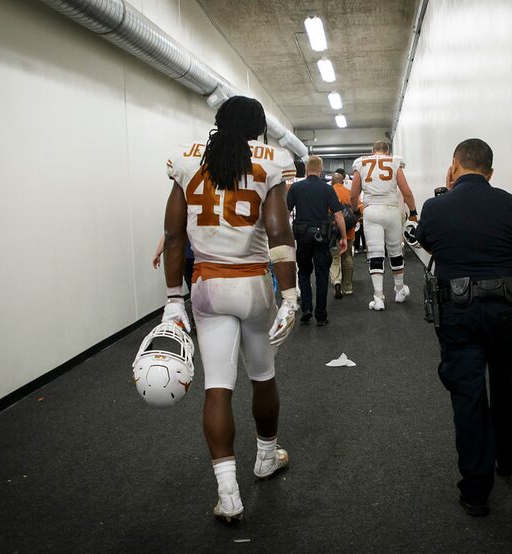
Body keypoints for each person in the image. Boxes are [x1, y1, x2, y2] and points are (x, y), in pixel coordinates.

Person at [162, 96, 300, 522]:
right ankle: (264, 457)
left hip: (206, 284)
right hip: (254, 283)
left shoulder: (187, 160)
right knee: (262, 375)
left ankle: (228, 494)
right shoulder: (271, 161)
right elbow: (279, 232)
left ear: (218, 122)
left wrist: (172, 300)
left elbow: (172, 236)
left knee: (218, 386)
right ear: (258, 129)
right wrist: (292, 296)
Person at [414, 138, 512, 517]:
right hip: (507, 312)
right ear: (490, 173)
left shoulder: (435, 206)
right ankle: (508, 458)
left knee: (469, 395)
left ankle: (476, 492)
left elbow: (428, 242)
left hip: (458, 314)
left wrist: (447, 191)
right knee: (506, 380)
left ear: (454, 165)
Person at [350, 141, 418, 311]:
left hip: (371, 209)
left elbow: (353, 194)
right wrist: (413, 212)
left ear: (372, 151)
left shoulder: (361, 162)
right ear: (387, 152)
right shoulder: (394, 162)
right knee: (395, 251)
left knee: (375, 253)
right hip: (391, 210)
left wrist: (355, 211)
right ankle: (399, 290)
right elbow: (406, 191)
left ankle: (378, 297)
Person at [287, 155, 348, 326]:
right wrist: (343, 237)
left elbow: (286, 213)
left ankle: (306, 309)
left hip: (302, 236)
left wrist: (286, 237)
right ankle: (321, 315)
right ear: (320, 170)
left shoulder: (296, 188)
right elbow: (338, 216)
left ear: (306, 168)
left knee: (304, 272)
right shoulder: (327, 189)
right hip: (322, 236)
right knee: (322, 275)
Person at [329, 169, 360, 298]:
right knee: (347, 257)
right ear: (343, 181)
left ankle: (337, 282)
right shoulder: (349, 193)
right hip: (349, 231)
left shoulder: (329, 193)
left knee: (335, 258)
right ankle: (348, 287)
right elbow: (358, 209)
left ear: (332, 182)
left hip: (334, 231)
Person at [153, 234, 195, 299]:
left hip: (200, 259)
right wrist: (157, 253)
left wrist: (157, 253)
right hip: (188, 258)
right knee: (195, 291)